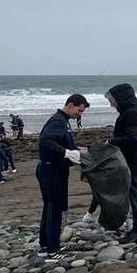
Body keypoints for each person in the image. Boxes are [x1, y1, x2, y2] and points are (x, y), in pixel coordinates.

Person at [36, 94, 88, 261]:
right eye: (79, 110)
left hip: (51, 168)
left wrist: (78, 151)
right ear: (71, 105)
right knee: (56, 209)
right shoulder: (58, 121)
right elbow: (46, 142)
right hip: (52, 170)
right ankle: (53, 250)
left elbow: (63, 143)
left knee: (50, 207)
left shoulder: (63, 121)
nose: (79, 114)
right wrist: (66, 153)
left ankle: (45, 246)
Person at [105, 83, 137, 243]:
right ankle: (124, 223)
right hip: (135, 159)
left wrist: (110, 141)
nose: (111, 104)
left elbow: (132, 139)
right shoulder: (133, 110)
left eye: (111, 100)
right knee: (128, 193)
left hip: (134, 161)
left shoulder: (132, 113)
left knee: (134, 193)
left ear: (121, 98)